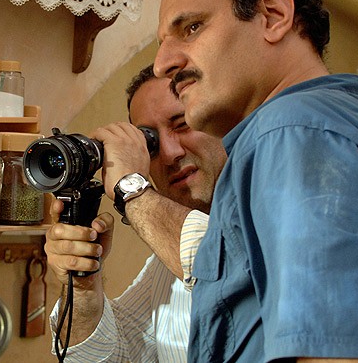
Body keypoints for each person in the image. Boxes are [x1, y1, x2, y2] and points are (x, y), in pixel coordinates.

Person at [154, 0, 358, 362]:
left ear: (273, 15)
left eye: (192, 27)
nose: (163, 64)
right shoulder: (324, 122)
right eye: (162, 43)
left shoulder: (290, 131)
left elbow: (333, 352)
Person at [45, 64, 227, 361]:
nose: (169, 154)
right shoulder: (163, 267)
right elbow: (108, 356)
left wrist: (130, 189)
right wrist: (83, 288)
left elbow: (224, 270)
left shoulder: (272, 209)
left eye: (182, 124)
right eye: (149, 143)